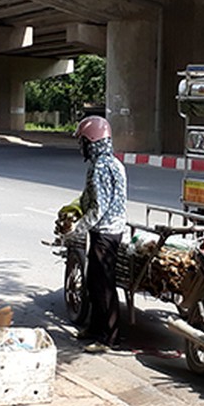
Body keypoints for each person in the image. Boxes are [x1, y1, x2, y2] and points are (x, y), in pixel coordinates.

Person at [66, 115, 128, 353]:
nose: (81, 147)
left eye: (82, 141)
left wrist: (76, 230)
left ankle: (109, 338)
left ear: (91, 141)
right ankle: (94, 328)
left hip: (106, 234)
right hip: (108, 231)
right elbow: (88, 198)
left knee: (103, 286)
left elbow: (98, 207)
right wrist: (73, 209)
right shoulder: (112, 163)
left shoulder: (101, 167)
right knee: (93, 282)